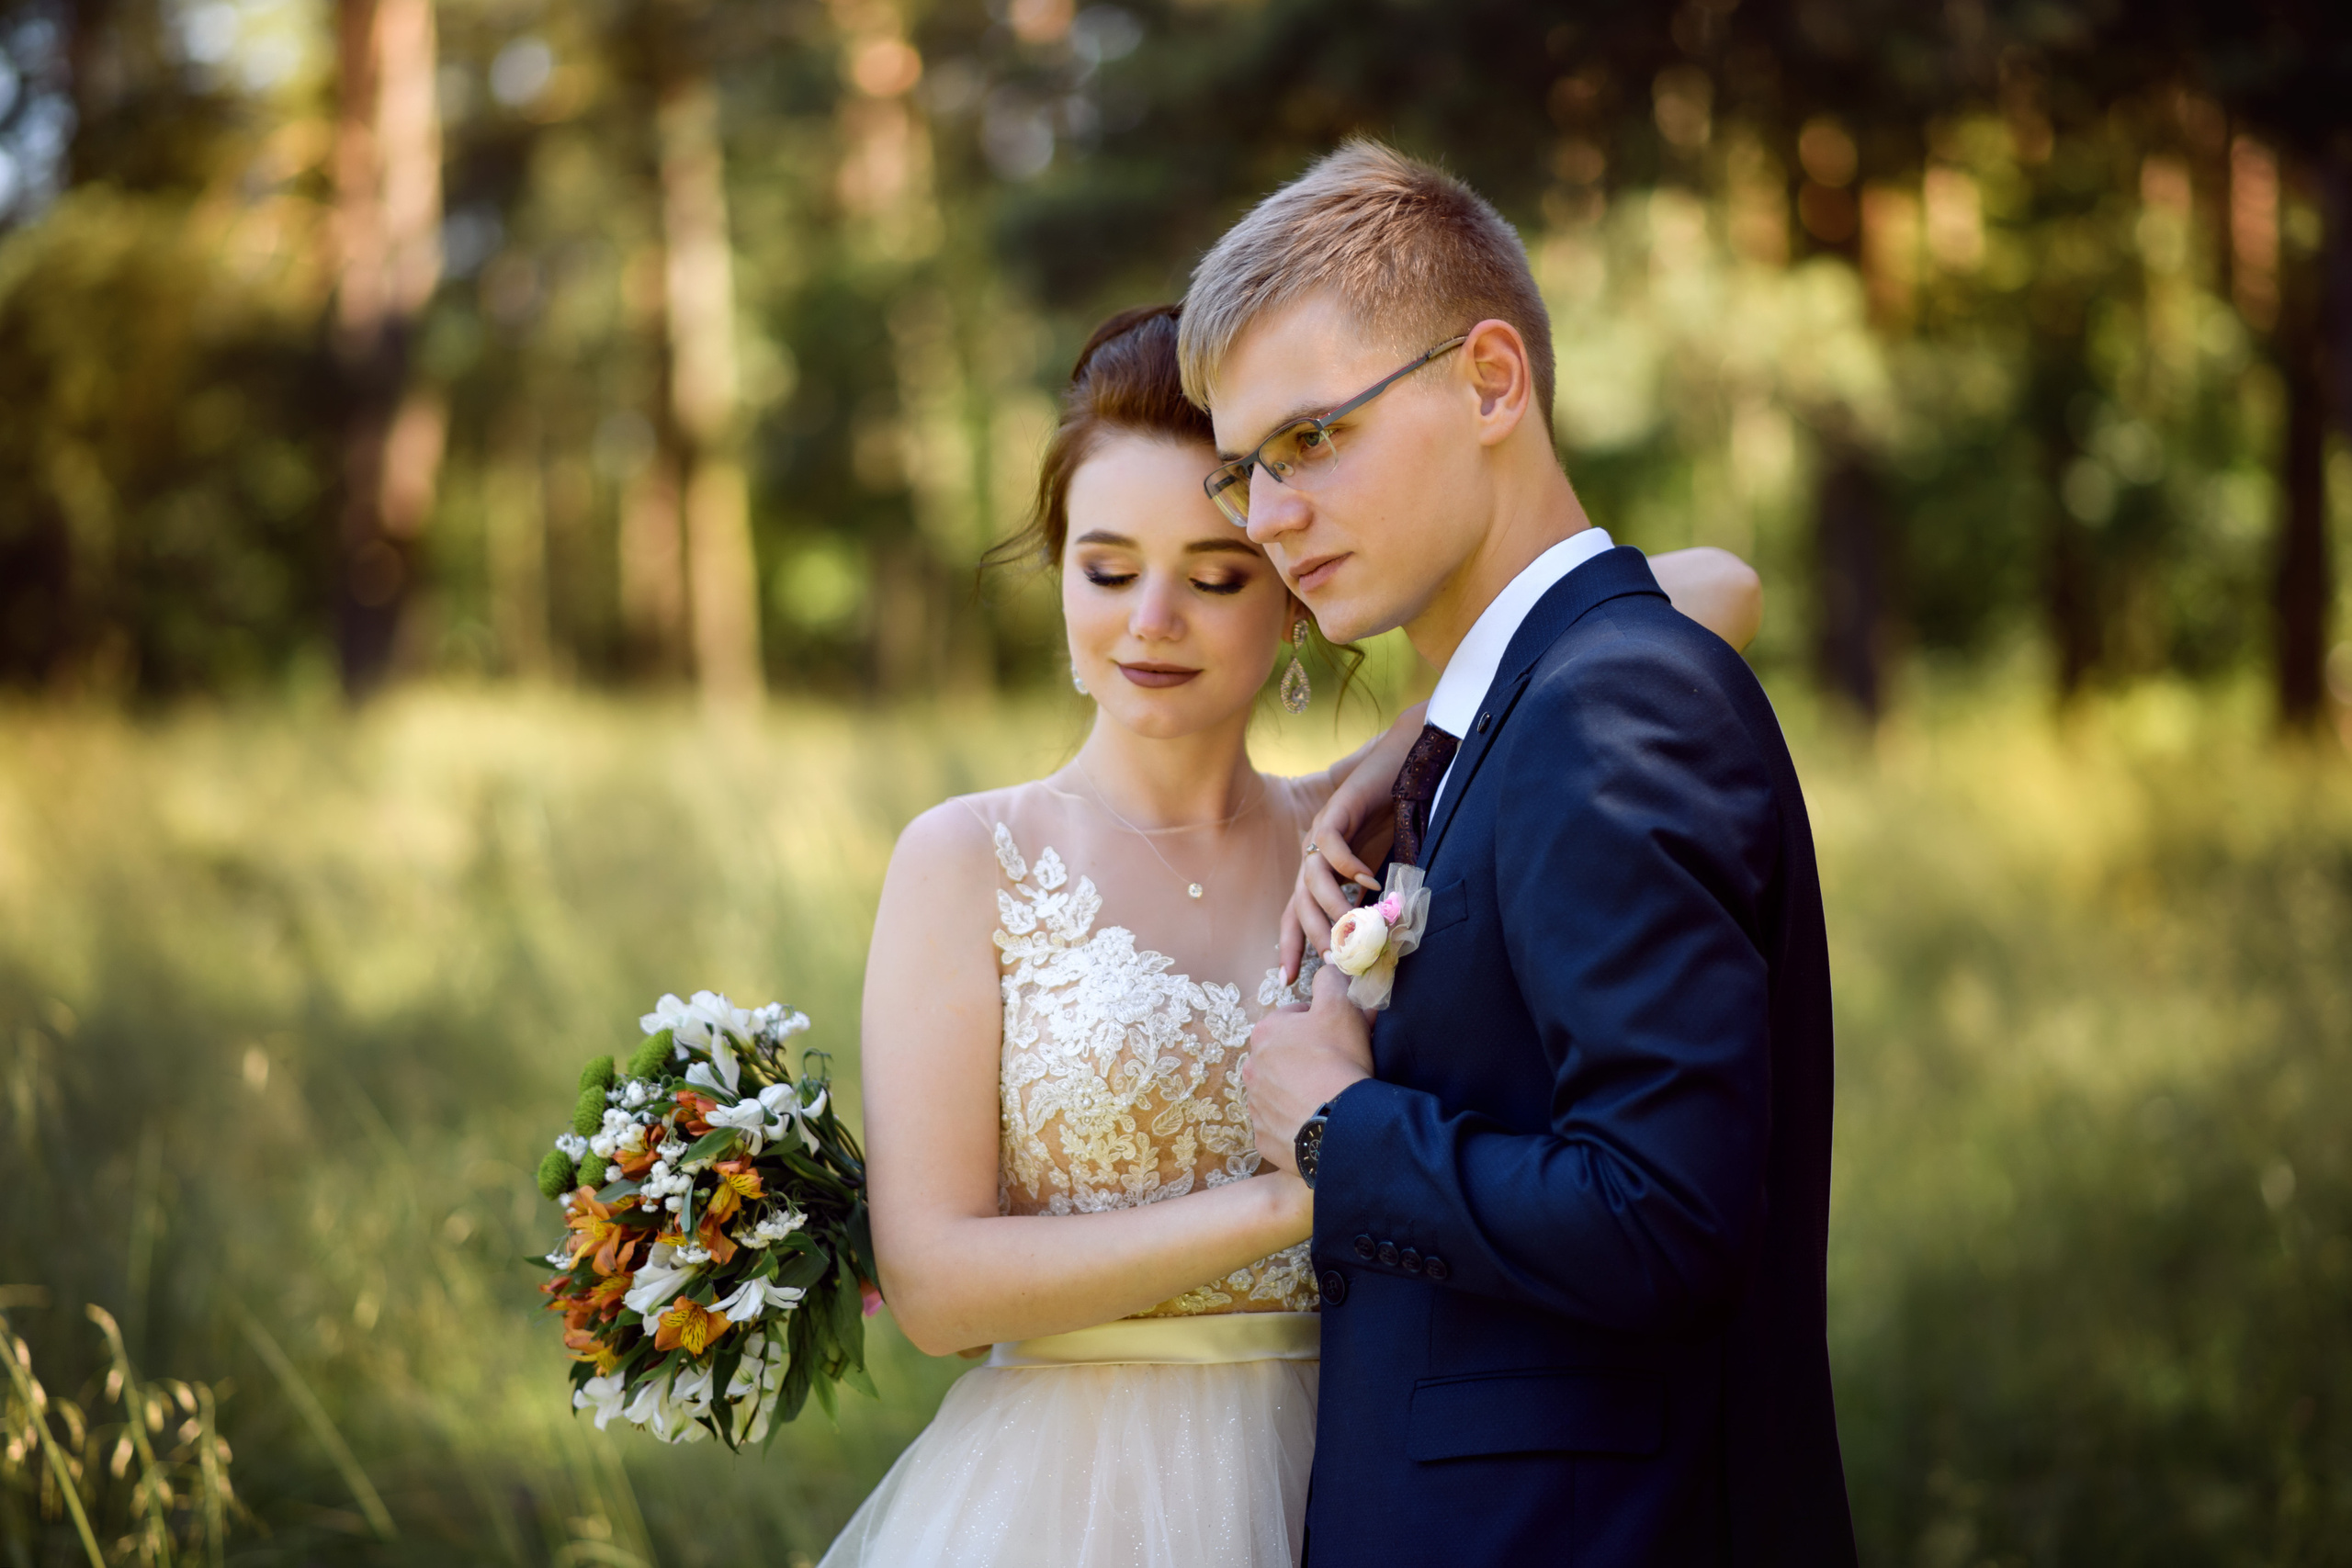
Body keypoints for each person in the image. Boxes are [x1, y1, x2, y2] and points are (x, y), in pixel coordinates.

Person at [821, 302, 1766, 1567]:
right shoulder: (968, 857)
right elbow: (934, 1286)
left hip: (1357, 1473)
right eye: (1107, 569)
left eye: (1216, 577)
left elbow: (1720, 587)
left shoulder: (1365, 824)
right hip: (1074, 1498)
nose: (1152, 620)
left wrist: (1411, 742)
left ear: (1296, 595)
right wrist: (1305, 1185)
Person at [1192, 143, 1858, 1564]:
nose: (1267, 518)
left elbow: (1663, 1219)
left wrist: (1336, 1129)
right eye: (1245, 469)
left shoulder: (1616, 706)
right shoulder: (1517, 712)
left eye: (1313, 438)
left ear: (1492, 380)